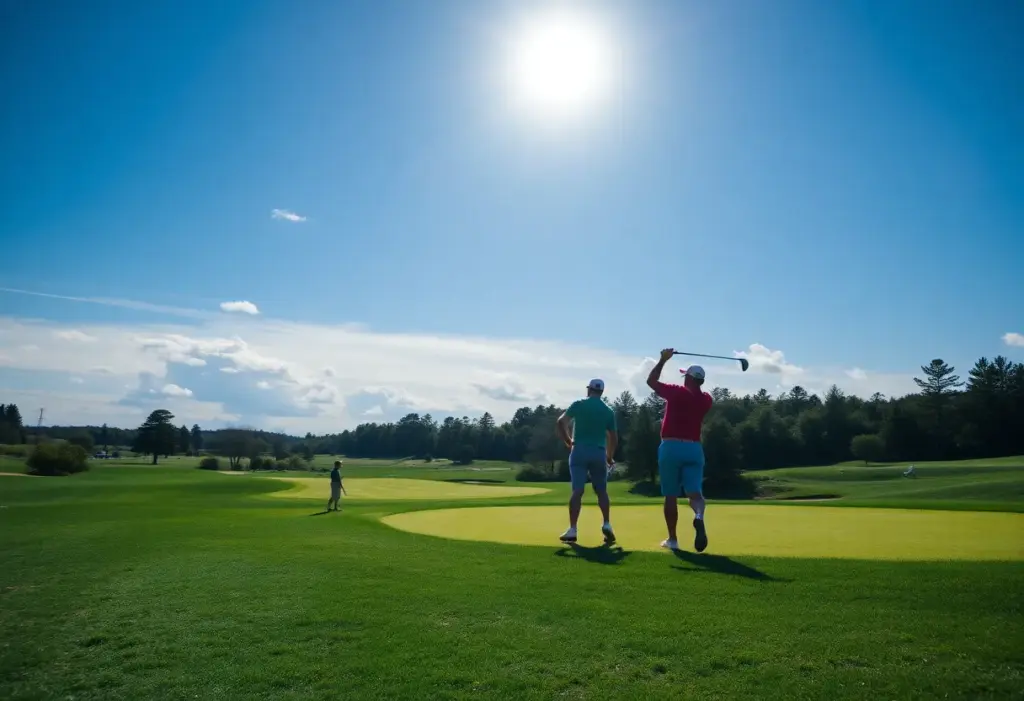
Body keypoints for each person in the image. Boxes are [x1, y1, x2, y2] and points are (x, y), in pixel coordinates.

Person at [647, 348, 714, 552]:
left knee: (670, 495)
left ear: (689, 379)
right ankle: (699, 516)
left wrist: (662, 360)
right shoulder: (706, 399)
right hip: (694, 449)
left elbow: (651, 382)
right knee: (695, 493)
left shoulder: (677, 392)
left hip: (671, 447)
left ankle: (673, 540)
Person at [555, 378, 618, 545]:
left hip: (579, 451)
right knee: (601, 491)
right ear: (602, 392)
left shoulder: (579, 404)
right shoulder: (608, 411)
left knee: (577, 490)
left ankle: (573, 529)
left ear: (589, 389)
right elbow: (613, 437)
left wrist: (568, 441)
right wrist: (609, 456)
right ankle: (606, 524)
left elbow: (561, 422)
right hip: (599, 452)